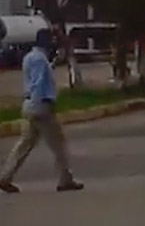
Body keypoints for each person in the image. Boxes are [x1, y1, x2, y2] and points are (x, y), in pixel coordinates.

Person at [0, 29, 84, 194]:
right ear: (45, 41)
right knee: (58, 144)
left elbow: (38, 76)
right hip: (41, 107)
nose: (53, 43)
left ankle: (5, 176)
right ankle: (65, 180)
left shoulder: (31, 57)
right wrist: (40, 103)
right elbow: (38, 82)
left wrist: (53, 62)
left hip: (30, 105)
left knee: (24, 144)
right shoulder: (40, 59)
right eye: (51, 40)